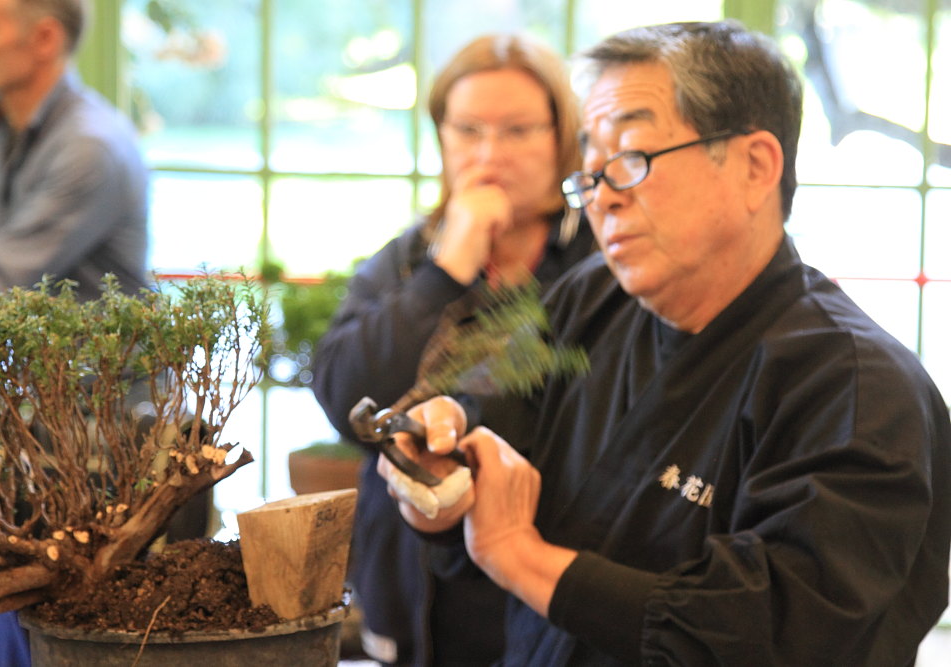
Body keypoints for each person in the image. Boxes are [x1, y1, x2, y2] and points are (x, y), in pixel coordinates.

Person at [375, 20, 951, 666]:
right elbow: (481, 413)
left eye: (631, 159)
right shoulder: (588, 297)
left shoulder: (856, 387)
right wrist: (438, 466)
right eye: (591, 173)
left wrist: (521, 556)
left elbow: (775, 634)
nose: (603, 201)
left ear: (755, 166)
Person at [312, 34, 596, 665]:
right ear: (441, 135)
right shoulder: (410, 258)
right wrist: (446, 270)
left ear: (562, 137)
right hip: (412, 585)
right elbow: (346, 403)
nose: (490, 153)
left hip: (554, 581)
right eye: (468, 129)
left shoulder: (602, 259)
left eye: (518, 130)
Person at [0, 1, 148, 663]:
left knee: (64, 624)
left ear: (43, 38)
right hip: (25, 417)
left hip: (98, 430)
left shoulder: (90, 147)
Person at [0, 0, 149, 319]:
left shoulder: (89, 148)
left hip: (87, 353)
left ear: (45, 39)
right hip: (19, 351)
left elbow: (0, 285)